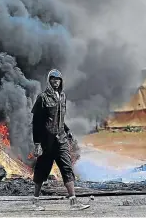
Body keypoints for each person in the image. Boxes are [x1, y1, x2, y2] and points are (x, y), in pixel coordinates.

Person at [31, 69, 89, 210]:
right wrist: (37, 143)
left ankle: (73, 202)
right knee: (41, 171)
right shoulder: (42, 98)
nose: (56, 81)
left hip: (61, 140)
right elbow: (36, 122)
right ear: (49, 81)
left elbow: (60, 119)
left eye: (58, 79)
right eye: (53, 79)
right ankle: (35, 201)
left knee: (67, 168)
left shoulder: (62, 96)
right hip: (47, 142)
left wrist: (67, 131)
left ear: (61, 81)